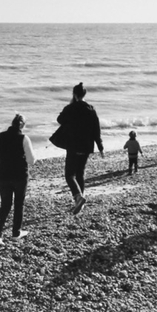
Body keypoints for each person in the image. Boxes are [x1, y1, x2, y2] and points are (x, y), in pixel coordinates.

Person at [56, 82, 104, 215]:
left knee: (69, 175)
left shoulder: (70, 108)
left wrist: (71, 106)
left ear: (74, 94)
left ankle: (78, 197)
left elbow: (59, 119)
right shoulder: (91, 109)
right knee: (80, 174)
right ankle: (79, 202)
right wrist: (100, 147)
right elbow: (96, 129)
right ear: (84, 94)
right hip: (86, 146)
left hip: (73, 145)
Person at [0, 114, 36, 247]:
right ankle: (16, 232)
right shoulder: (24, 138)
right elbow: (31, 160)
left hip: (3, 174)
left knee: (5, 205)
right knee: (19, 203)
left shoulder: (0, 136)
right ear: (23, 125)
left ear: (12, 123)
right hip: (20, 175)